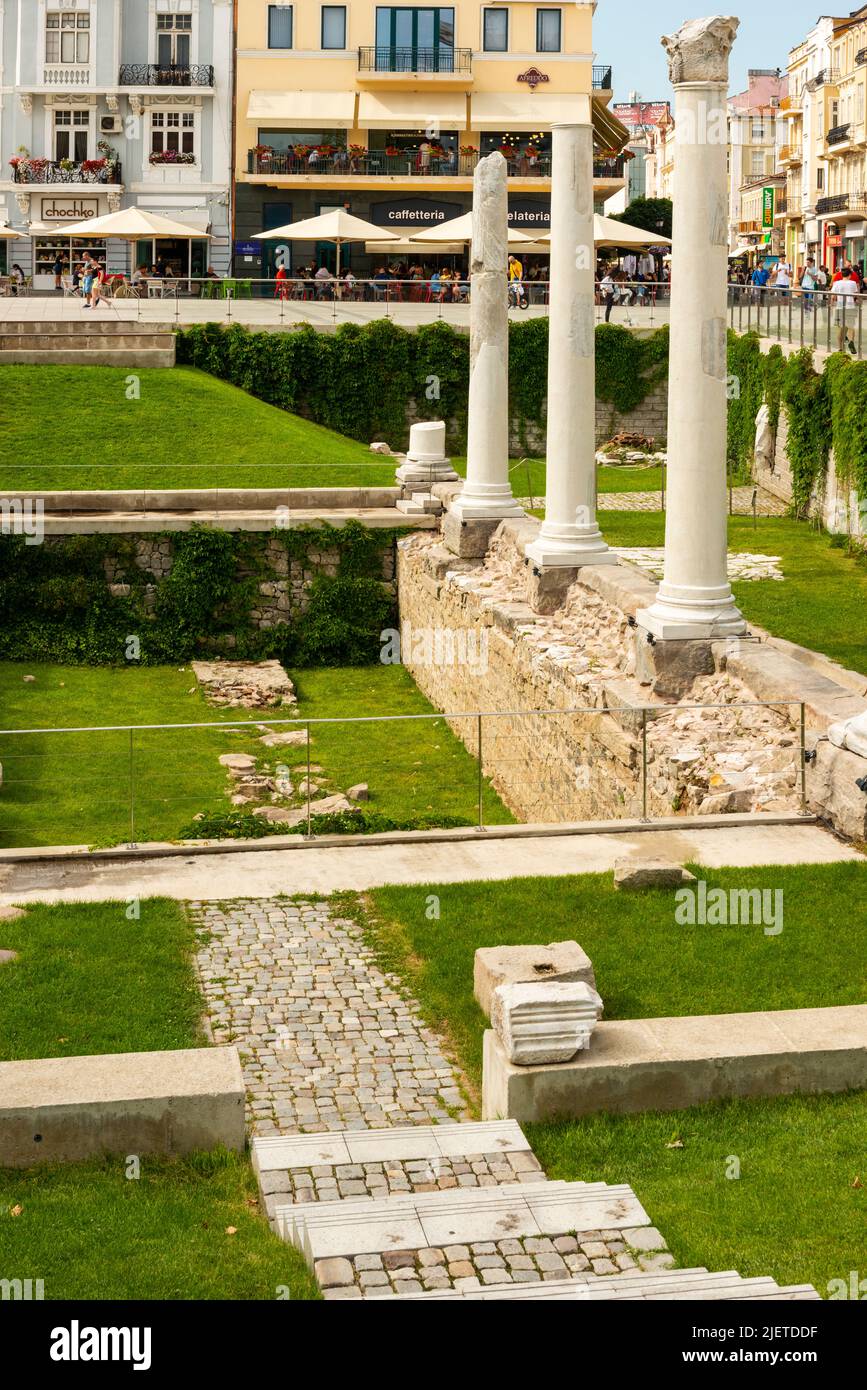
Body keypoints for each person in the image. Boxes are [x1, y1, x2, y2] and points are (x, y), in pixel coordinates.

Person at [832, 266, 859, 353]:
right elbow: (855, 295)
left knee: (840, 328)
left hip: (840, 307)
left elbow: (833, 296)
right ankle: (851, 341)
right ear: (850, 275)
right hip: (850, 307)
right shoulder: (853, 283)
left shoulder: (837, 283)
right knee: (851, 326)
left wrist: (833, 303)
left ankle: (840, 348)